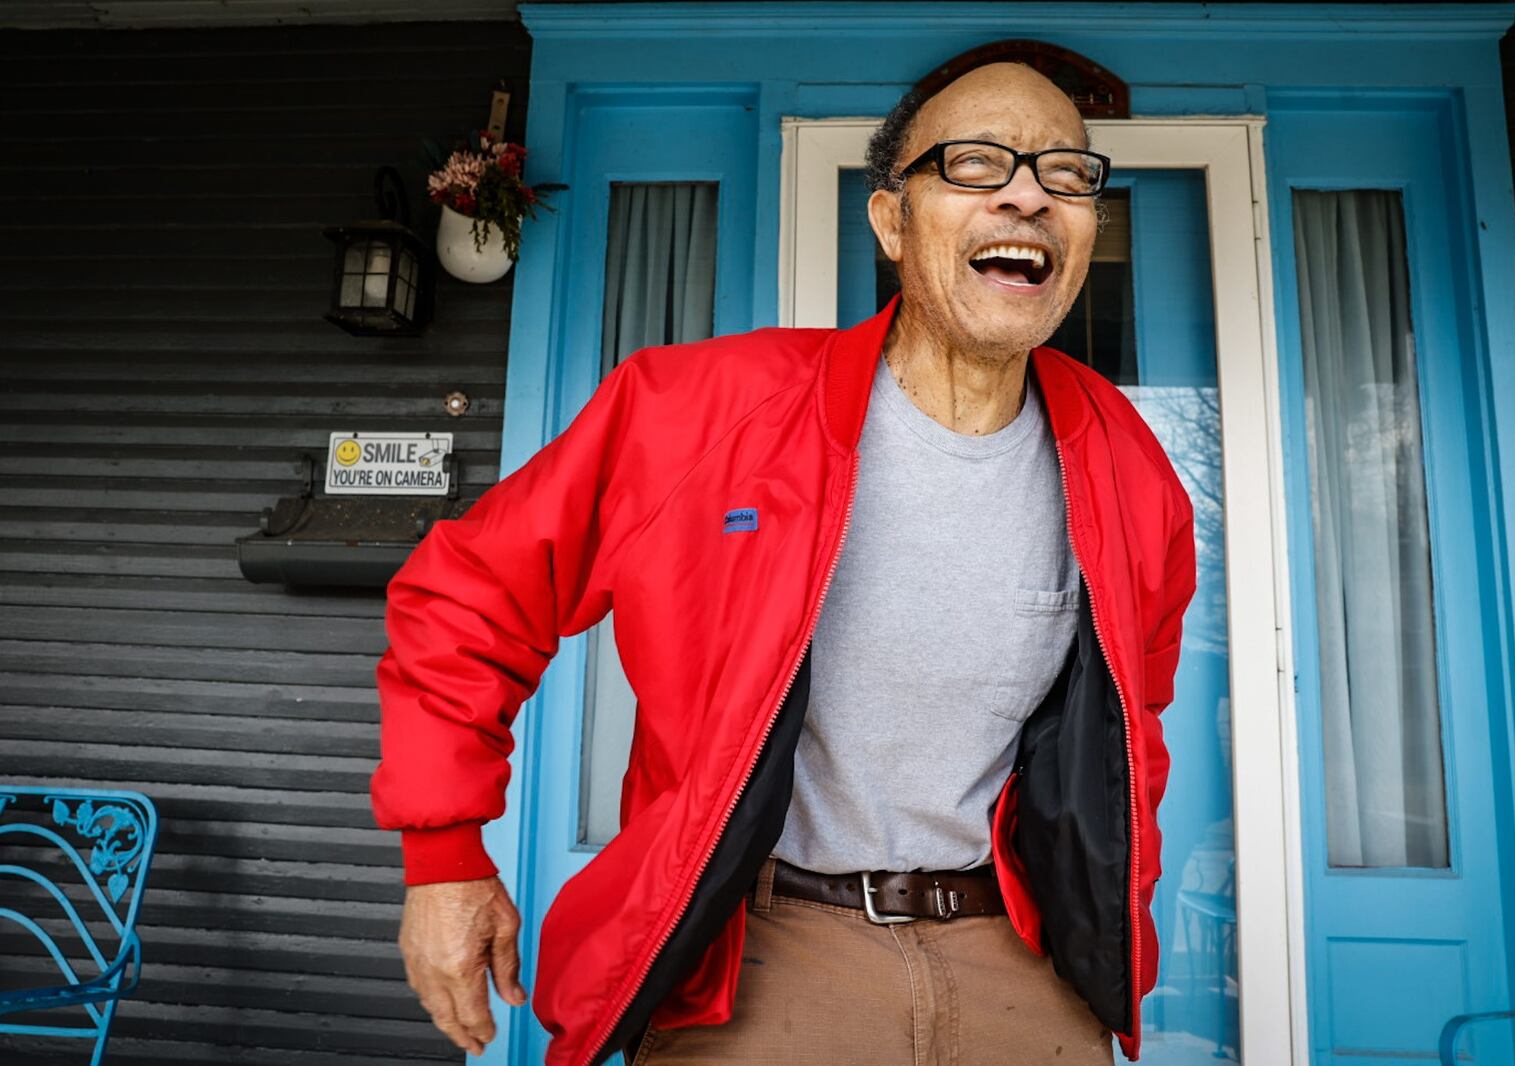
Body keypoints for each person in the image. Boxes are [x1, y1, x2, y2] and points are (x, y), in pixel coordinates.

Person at [371, 58, 1195, 1066]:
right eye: (976, 164)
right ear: (892, 223)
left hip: (1013, 966)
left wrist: (1102, 928)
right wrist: (445, 857)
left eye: (1066, 173)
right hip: (758, 966)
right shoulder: (700, 412)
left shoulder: (1129, 466)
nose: (1026, 193)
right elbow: (469, 596)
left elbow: (1130, 729)